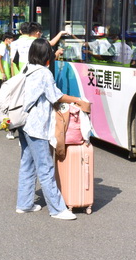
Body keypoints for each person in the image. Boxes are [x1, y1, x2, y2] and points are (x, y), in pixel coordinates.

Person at [16, 38, 90, 220]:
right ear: (46, 55)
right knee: (45, 167)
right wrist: (77, 100)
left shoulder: (27, 68)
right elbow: (55, 96)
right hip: (37, 125)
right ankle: (57, 209)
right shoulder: (44, 73)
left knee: (27, 164)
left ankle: (24, 203)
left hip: (23, 122)